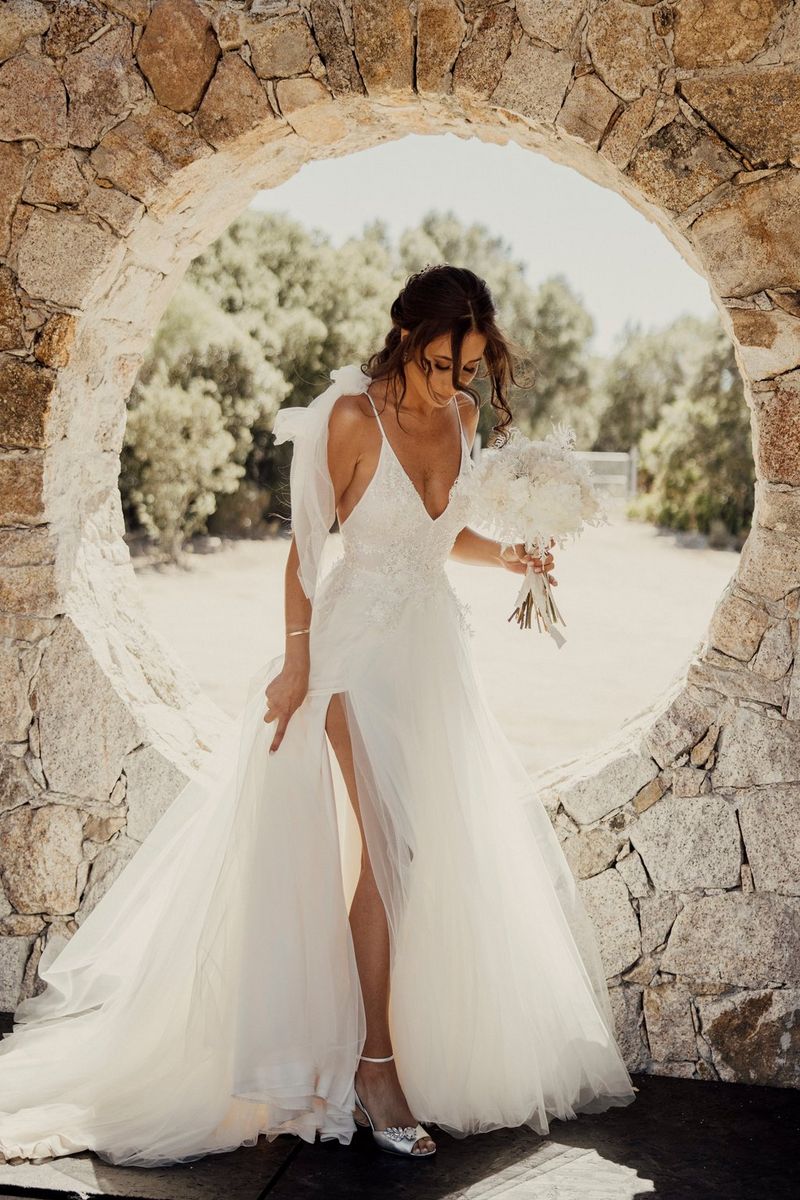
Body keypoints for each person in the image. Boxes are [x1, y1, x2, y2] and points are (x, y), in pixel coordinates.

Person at [0, 265, 636, 1169]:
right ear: (407, 337)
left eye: (468, 369)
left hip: (430, 658)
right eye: (441, 363)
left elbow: (436, 533)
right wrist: (297, 667)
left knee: (420, 849)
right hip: (350, 659)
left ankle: (382, 1047)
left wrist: (515, 558)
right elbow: (303, 555)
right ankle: (375, 1071)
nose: (453, 385)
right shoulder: (349, 418)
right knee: (389, 846)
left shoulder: (460, 419)